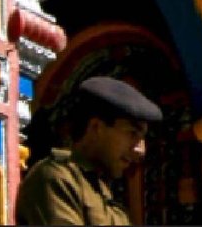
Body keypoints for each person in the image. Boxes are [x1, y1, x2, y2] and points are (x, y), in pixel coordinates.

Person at [15, 75, 162, 226]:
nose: (140, 150)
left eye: (143, 138)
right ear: (96, 127)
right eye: (132, 133)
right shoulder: (57, 178)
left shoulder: (106, 199)